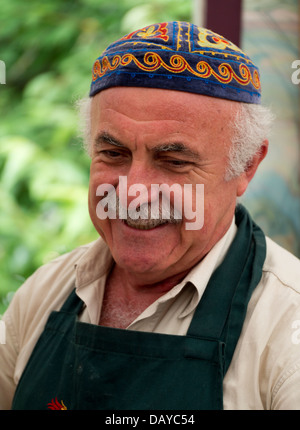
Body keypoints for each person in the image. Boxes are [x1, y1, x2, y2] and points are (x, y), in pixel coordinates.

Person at [1, 21, 300, 410]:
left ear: (246, 167)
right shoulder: (46, 292)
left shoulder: (286, 327)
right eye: (113, 154)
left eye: (174, 161)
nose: (134, 192)